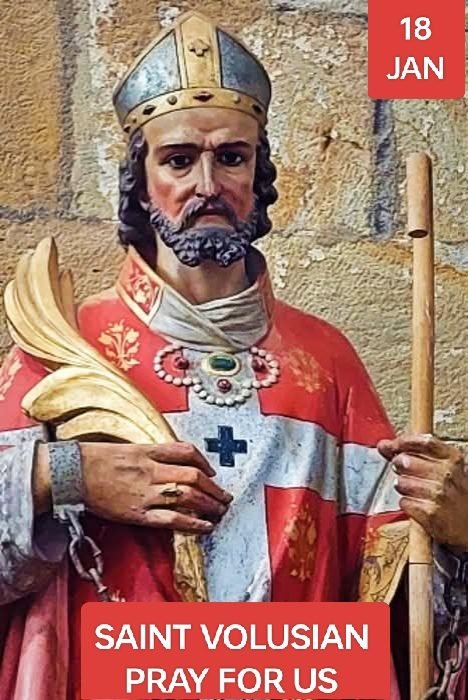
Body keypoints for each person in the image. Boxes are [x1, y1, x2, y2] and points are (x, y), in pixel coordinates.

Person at [0, 10, 466, 699]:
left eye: (231, 157)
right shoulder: (69, 346)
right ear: (140, 180)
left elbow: (398, 585)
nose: (207, 184)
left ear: (258, 172)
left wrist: (453, 528)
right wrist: (68, 474)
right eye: (178, 159)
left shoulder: (325, 361)